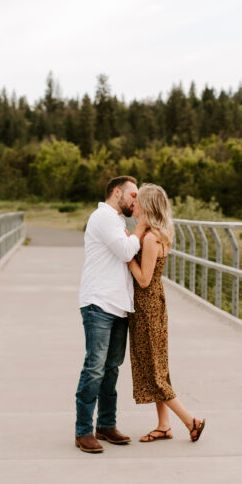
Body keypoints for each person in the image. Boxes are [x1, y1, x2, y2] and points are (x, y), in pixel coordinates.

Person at [74, 175, 147, 453]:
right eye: (133, 195)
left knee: (111, 368)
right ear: (117, 193)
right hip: (99, 303)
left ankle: (105, 425)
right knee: (94, 368)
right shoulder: (103, 217)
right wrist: (141, 227)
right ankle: (83, 431)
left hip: (118, 305)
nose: (136, 201)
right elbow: (127, 250)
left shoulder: (117, 221)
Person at [128, 184, 205, 443]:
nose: (133, 205)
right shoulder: (154, 234)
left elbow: (143, 280)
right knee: (158, 367)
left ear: (147, 206)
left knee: (154, 371)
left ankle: (190, 421)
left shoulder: (150, 239)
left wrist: (128, 258)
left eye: (138, 201)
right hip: (153, 307)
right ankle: (163, 425)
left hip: (148, 309)